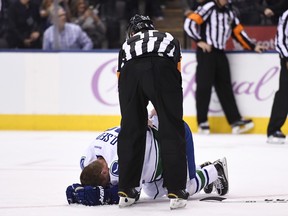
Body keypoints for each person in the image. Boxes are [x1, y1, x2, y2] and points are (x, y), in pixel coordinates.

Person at [66, 115, 229, 206]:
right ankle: (199, 170)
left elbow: (130, 195)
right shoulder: (89, 158)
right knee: (154, 193)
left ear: (104, 171)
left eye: (107, 181)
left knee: (184, 187)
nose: (110, 183)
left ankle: (215, 170)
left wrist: (104, 195)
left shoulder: (118, 163)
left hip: (174, 137)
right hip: (159, 148)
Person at [116, 14, 188, 209]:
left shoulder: (126, 45)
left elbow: (121, 79)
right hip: (163, 68)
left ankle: (127, 189)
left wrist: (133, 116)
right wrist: (165, 106)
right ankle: (175, 189)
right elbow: (176, 73)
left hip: (131, 73)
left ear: (133, 30)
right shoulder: (169, 38)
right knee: (171, 128)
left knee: (130, 131)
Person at [184, 0, 267, 134]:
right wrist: (199, 41)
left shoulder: (230, 11)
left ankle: (234, 121)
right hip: (207, 52)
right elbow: (189, 23)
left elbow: (238, 31)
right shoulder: (208, 7)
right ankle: (202, 122)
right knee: (204, 86)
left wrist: (252, 46)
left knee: (225, 87)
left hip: (220, 52)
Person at [266, 9, 288, 144]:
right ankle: (274, 129)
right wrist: (286, 58)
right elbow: (279, 40)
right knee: (284, 94)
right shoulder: (286, 15)